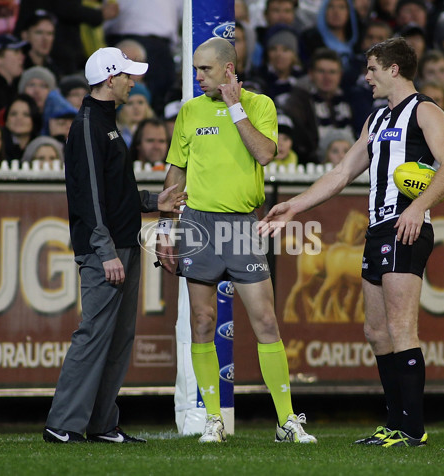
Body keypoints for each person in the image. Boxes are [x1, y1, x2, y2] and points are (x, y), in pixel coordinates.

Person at [259, 37, 444, 447]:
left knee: (402, 326)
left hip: (406, 227)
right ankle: (394, 422)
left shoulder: (425, 111)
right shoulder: (377, 120)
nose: (366, 77)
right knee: (375, 331)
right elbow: (340, 174)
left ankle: (412, 430)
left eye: (372, 69)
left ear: (394, 70)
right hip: (378, 229)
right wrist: (294, 206)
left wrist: (416, 207)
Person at [157, 37, 317, 444]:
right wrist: (164, 226)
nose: (197, 77)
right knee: (202, 320)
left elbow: (265, 154)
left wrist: (234, 107)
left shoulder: (260, 105)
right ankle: (214, 419)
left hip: (243, 226)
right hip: (198, 224)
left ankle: (286, 421)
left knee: (265, 321)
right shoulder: (189, 112)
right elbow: (176, 171)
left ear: (229, 69)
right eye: (195, 68)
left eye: (205, 70)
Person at [43, 47, 186, 444]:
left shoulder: (103, 122)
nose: (132, 82)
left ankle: (102, 424)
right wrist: (105, 252)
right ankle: (63, 424)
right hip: (106, 250)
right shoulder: (89, 124)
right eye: (127, 76)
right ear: (110, 78)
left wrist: (152, 202)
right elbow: (88, 197)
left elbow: (114, 191)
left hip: (122, 244)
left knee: (118, 336)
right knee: (94, 333)